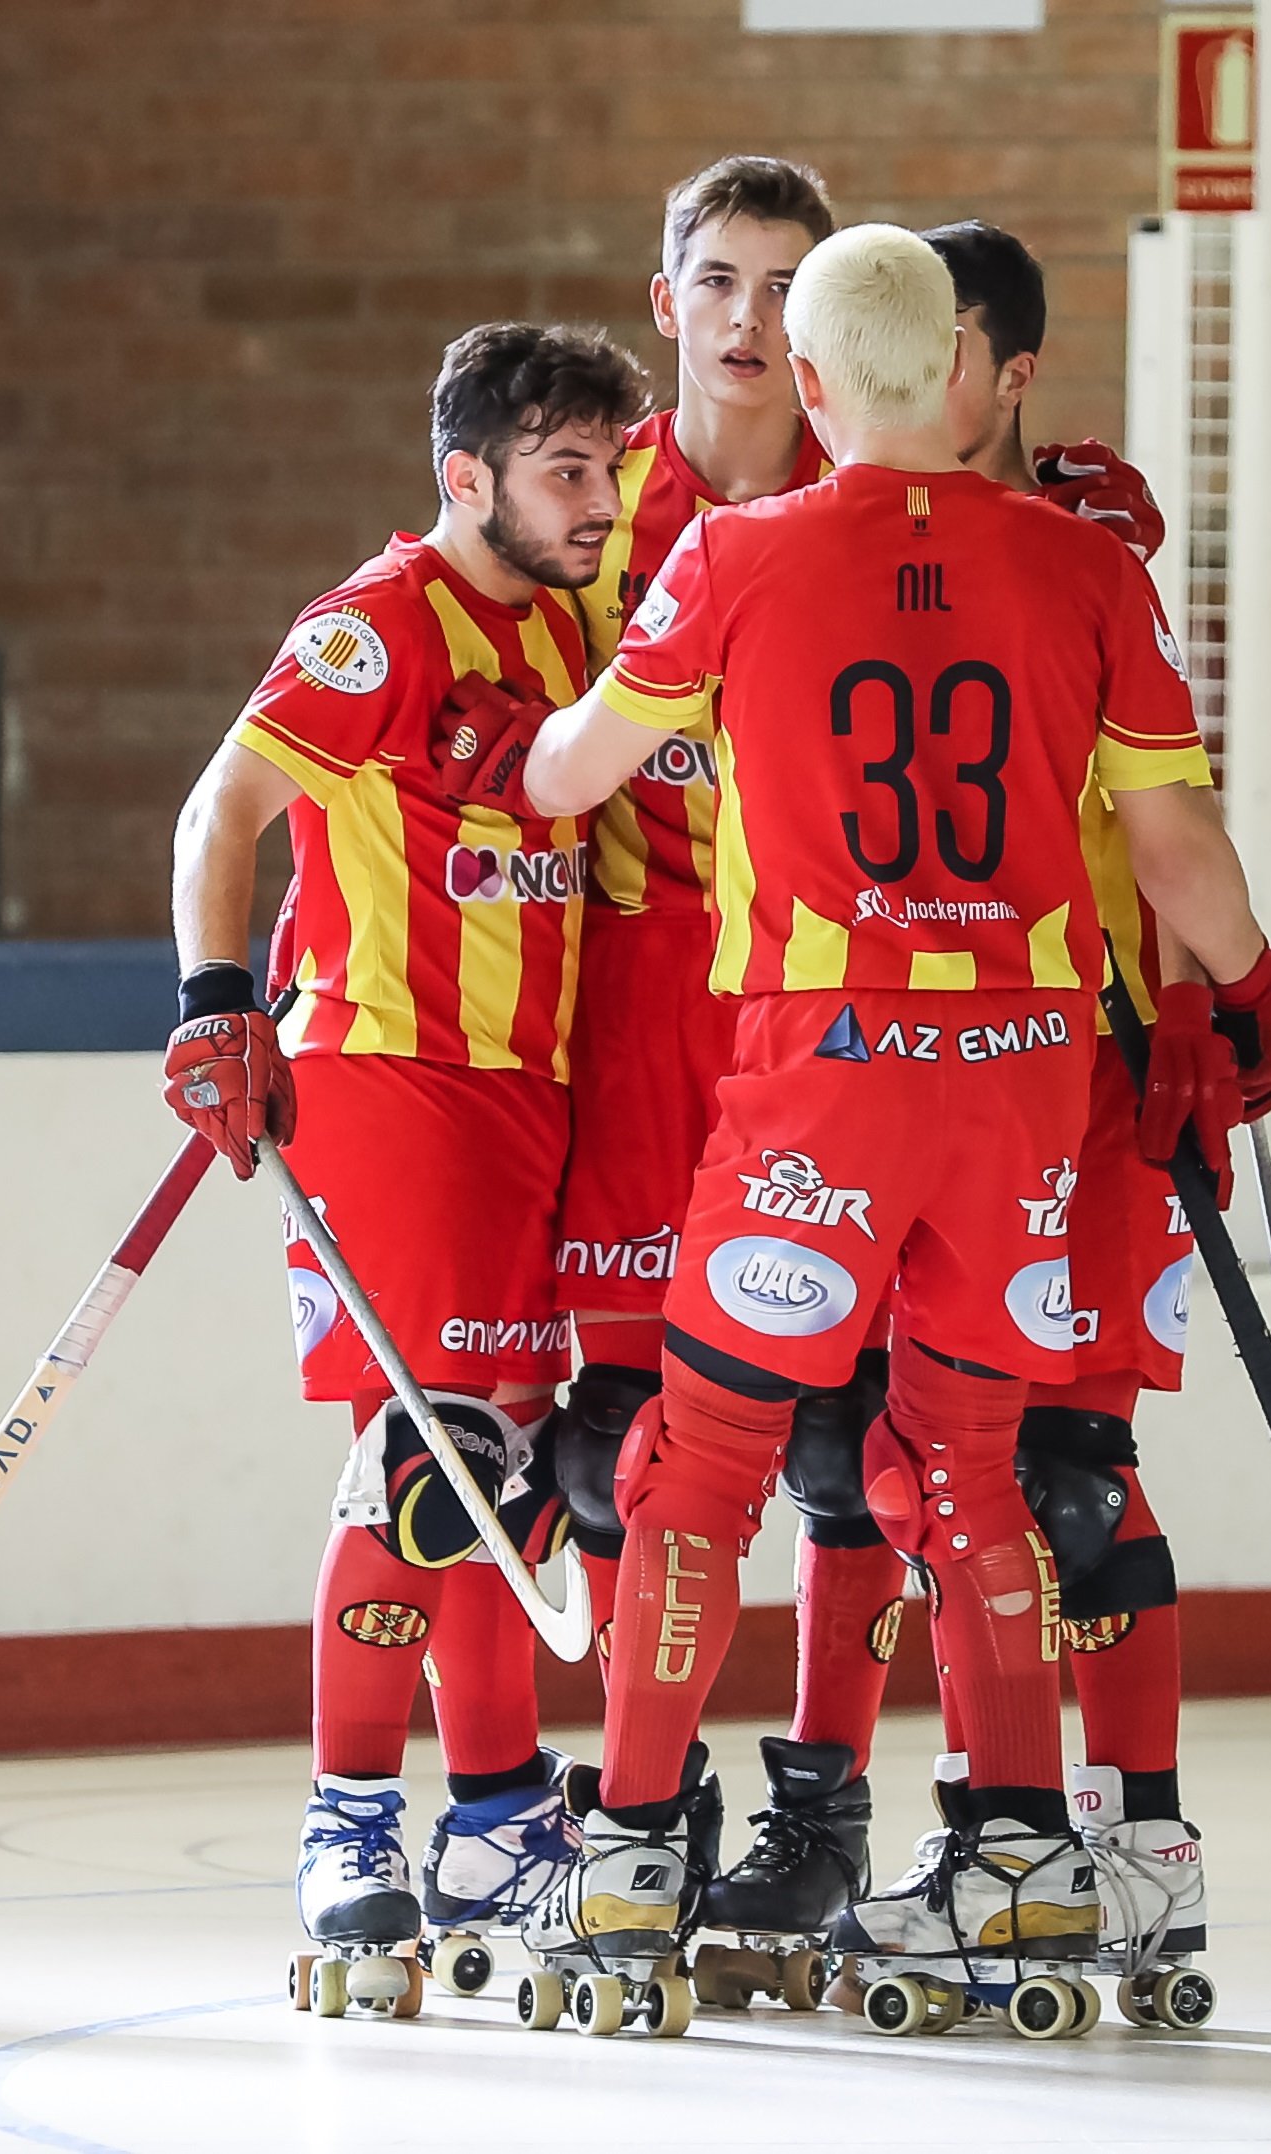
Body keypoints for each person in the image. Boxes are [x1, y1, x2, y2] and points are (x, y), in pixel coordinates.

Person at [515, 225, 1271, 1976]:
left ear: (807, 382)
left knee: (705, 1462)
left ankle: (635, 1861)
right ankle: (1015, 1862)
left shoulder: (731, 553)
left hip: (826, 1076)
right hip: (1018, 1079)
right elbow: (1174, 846)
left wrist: (578, 729)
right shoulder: (1086, 573)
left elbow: (570, 773)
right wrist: (1256, 987)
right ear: (964, 363)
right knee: (974, 1467)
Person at [161, 321, 647, 1972]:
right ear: (467, 478)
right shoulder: (376, 629)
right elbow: (220, 808)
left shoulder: (577, 622)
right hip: (394, 1080)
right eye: (562, 471)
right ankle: (349, 1818)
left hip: (533, 1096)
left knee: (511, 1493)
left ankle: (499, 1818)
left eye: (603, 467)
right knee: (427, 1468)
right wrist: (218, 999)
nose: (594, 501)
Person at [532, 157, 836, 1636]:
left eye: (786, 287)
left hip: (822, 1003)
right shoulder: (582, 498)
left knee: (857, 1446)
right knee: (614, 1442)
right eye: (719, 279)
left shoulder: (877, 506)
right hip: (632, 995)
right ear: (665, 301)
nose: (749, 317)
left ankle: (828, 1793)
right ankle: (631, 1798)